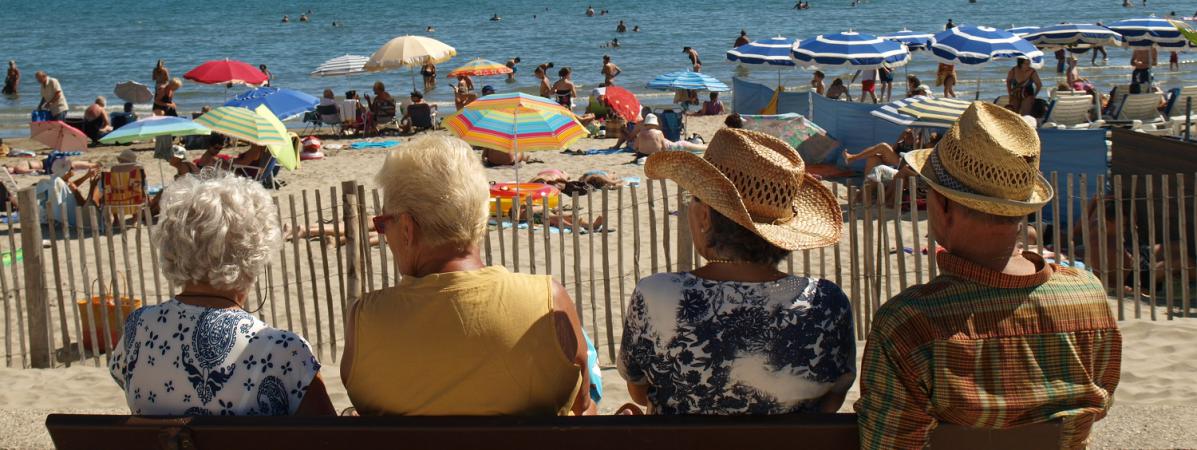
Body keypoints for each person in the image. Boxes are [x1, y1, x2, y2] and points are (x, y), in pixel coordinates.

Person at [855, 102, 1121, 449]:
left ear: (944, 206)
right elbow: (1100, 402)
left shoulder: (908, 323)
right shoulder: (1087, 297)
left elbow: (887, 445)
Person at [341, 135, 591, 416]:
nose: (384, 235)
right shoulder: (548, 302)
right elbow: (583, 409)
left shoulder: (365, 322)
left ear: (408, 229)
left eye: (383, 223)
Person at [620, 128, 853, 415]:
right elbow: (833, 399)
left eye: (693, 199)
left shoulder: (655, 295)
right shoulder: (827, 302)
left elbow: (639, 390)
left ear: (705, 217)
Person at [110, 172, 336, 416]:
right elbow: (328, 438)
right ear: (254, 252)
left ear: (172, 246)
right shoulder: (284, 350)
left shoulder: (139, 326)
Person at [631, 114, 706, 162]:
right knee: (685, 145)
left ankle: (705, 147)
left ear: (646, 124)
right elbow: (664, 147)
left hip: (646, 155)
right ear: (655, 124)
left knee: (687, 145)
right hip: (668, 148)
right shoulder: (659, 133)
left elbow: (635, 147)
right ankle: (706, 147)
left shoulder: (640, 134)